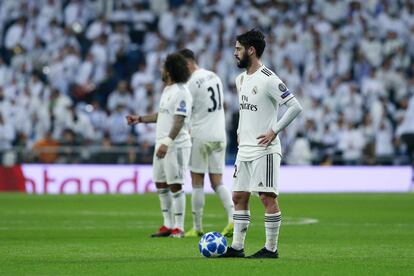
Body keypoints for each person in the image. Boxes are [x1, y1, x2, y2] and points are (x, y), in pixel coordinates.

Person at [220, 29, 303, 258]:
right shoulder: (240, 79)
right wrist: (238, 131)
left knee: (267, 197)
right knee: (239, 197)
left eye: (238, 49)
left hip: (264, 150)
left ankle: (271, 249)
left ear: (251, 50)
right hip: (244, 148)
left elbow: (295, 106)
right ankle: (237, 247)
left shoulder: (268, 78)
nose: (235, 53)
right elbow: (244, 110)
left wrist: (274, 130)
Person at [126, 53, 192, 238]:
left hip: (176, 145)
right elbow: (162, 115)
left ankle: (179, 227)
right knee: (160, 183)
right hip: (162, 143)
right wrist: (140, 119)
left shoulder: (181, 91)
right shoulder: (167, 90)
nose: (161, 70)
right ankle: (168, 225)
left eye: (164, 67)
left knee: (175, 185)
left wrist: (167, 142)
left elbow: (179, 120)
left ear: (170, 70)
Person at [178, 49, 234, 238]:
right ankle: (233, 218)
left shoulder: (190, 83)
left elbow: (186, 111)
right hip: (219, 134)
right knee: (218, 181)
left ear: (187, 64)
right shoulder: (214, 76)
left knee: (197, 181)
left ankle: (197, 226)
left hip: (201, 134)